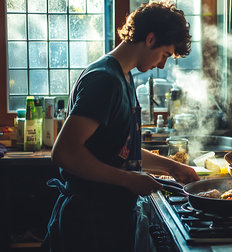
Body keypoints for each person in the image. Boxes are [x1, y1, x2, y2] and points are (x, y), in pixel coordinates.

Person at [42, 2, 199, 251]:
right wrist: (128, 180)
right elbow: (64, 153)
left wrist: (173, 167)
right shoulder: (105, 80)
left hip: (108, 218)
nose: (162, 65)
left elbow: (120, 150)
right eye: (165, 55)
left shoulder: (123, 76)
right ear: (150, 39)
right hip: (88, 223)